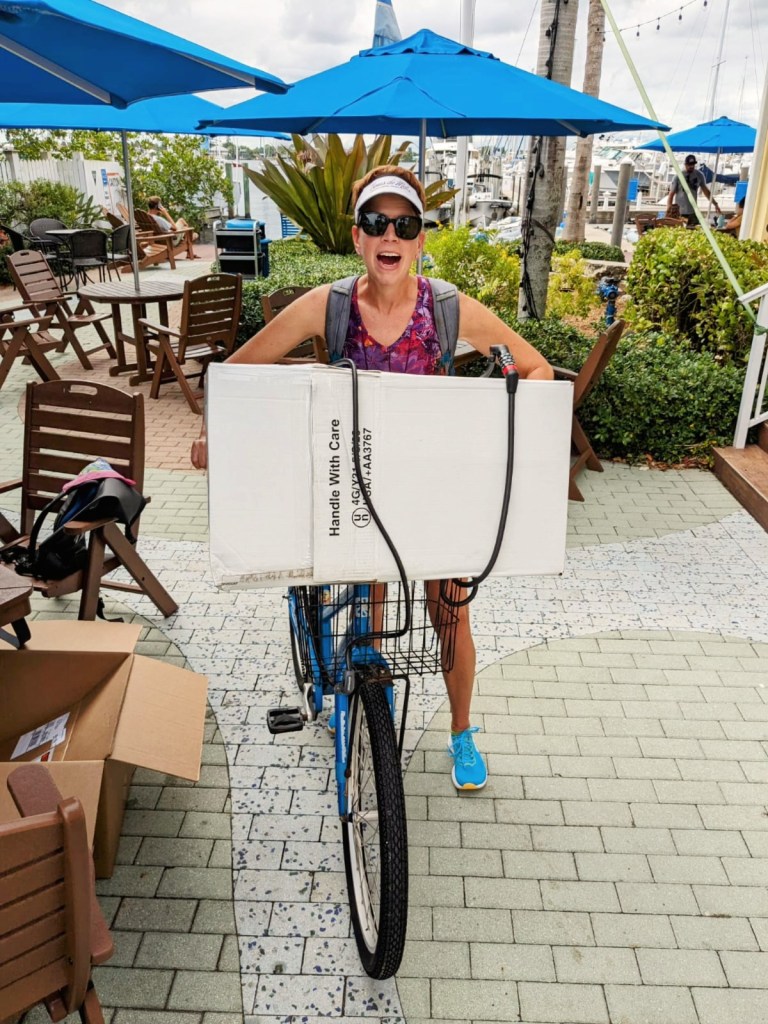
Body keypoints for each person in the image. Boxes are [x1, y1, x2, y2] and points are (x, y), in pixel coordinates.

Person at [190, 165, 554, 791]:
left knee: (450, 614)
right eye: (376, 222)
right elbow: (236, 372)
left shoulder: (446, 308)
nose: (391, 234)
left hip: (430, 485)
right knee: (370, 604)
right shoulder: (330, 306)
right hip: (353, 485)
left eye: (405, 225)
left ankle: (461, 731)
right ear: (358, 236)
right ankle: (361, 691)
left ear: (420, 240)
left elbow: (537, 369)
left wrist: (496, 434)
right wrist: (211, 430)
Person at [666, 155, 720, 227]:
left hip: (693, 212)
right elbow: (671, 194)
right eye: (689, 165)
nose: (691, 166)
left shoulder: (699, 175)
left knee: (694, 229)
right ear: (685, 164)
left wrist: (715, 204)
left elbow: (706, 192)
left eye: (693, 164)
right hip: (680, 212)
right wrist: (669, 211)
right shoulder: (678, 176)